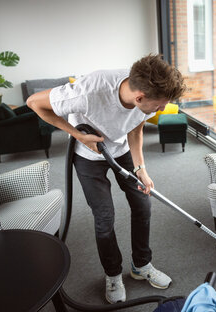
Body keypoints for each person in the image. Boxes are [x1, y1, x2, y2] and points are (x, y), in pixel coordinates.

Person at [27, 54, 186, 304]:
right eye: (160, 105)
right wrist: (77, 135)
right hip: (88, 155)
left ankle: (141, 265)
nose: (162, 110)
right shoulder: (88, 91)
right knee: (104, 218)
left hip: (122, 152)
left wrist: (141, 167)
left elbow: (136, 128)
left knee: (143, 203)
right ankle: (112, 274)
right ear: (139, 98)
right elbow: (34, 102)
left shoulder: (145, 92)